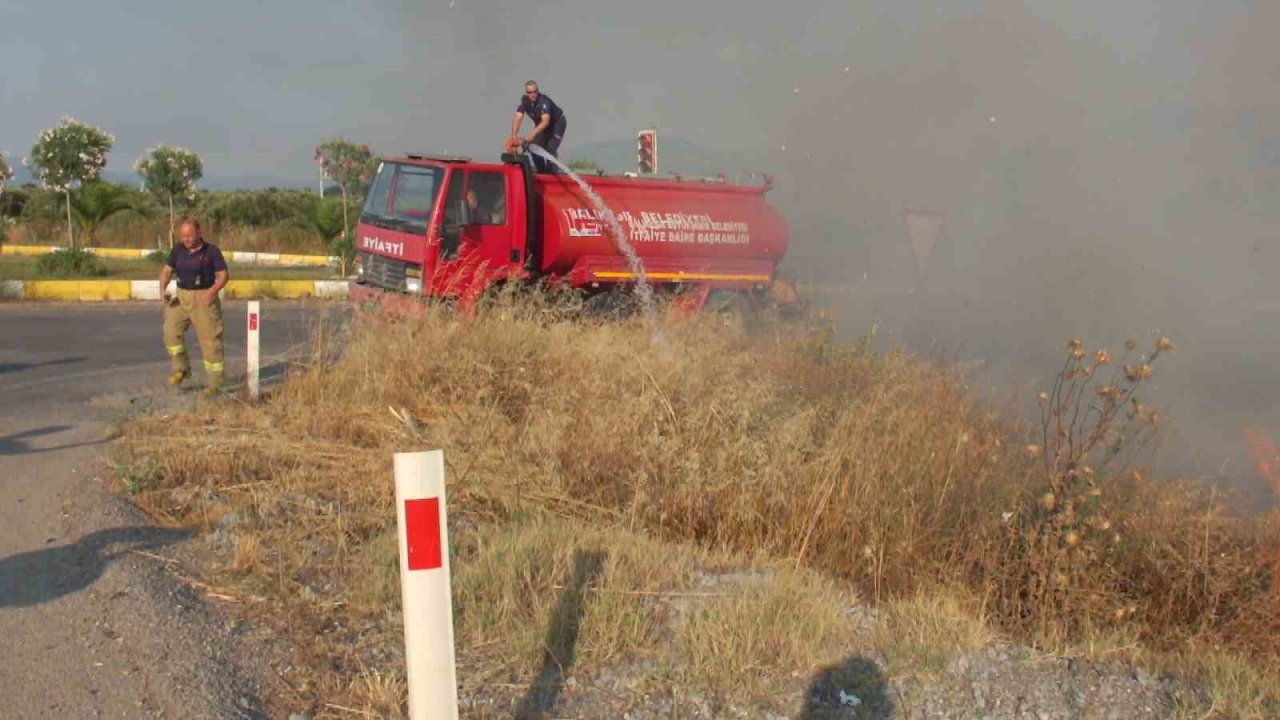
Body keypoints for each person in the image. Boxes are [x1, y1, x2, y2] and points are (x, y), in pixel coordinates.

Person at [158, 219, 229, 396]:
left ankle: (215, 384)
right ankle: (181, 369)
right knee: (170, 332)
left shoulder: (212, 252)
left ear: (198, 232)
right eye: (183, 236)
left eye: (190, 235)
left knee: (210, 341)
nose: (186, 239)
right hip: (182, 296)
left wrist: (213, 291)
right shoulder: (177, 250)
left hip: (203, 297)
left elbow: (223, 275)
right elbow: (167, 271)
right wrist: (163, 289)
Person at [507, 80, 567, 173]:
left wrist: (532, 133)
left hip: (557, 124)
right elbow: (518, 118)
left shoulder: (543, 101)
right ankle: (541, 171)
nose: (533, 94)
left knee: (550, 148)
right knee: (532, 146)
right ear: (526, 93)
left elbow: (545, 121)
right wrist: (514, 135)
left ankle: (552, 173)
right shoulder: (525, 102)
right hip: (542, 126)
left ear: (538, 91)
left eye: (535, 92)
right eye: (530, 92)